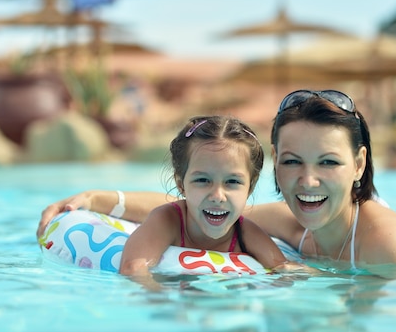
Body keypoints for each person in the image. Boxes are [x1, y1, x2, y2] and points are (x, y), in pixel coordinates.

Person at [38, 90, 396, 274]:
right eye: (293, 161)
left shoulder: (389, 247)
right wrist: (95, 198)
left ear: (359, 164)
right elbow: (188, 207)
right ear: (276, 164)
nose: (308, 180)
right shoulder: (289, 220)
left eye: (329, 162)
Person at [113, 115, 291, 282]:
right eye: (203, 180)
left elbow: (288, 270)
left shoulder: (246, 234)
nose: (217, 196)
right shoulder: (168, 221)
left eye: (232, 181)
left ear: (250, 187)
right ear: (181, 184)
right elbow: (133, 268)